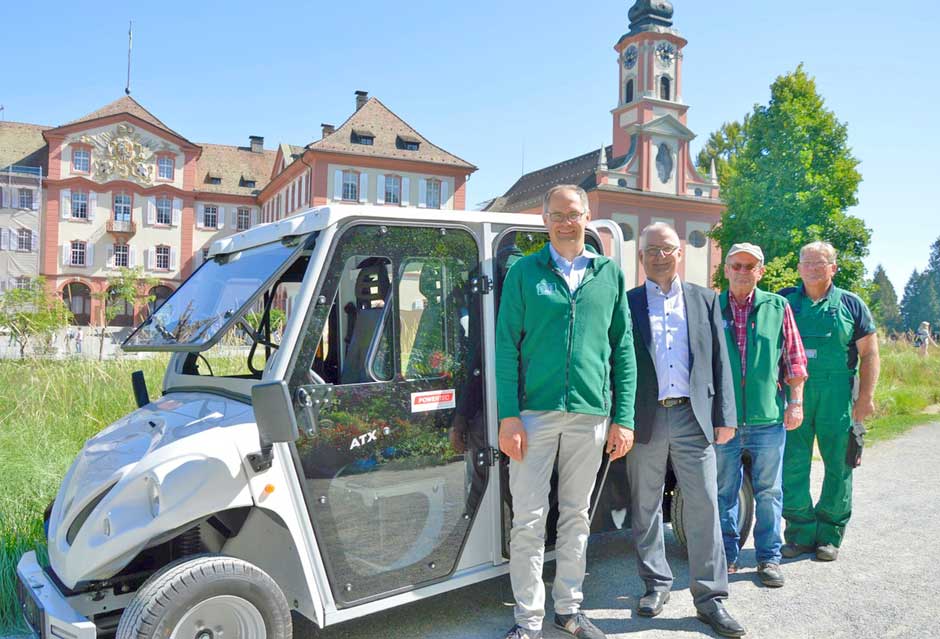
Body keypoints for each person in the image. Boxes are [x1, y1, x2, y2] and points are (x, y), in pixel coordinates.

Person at [495, 184, 637, 639]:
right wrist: (508, 415)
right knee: (530, 521)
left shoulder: (608, 274)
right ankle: (528, 622)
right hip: (533, 416)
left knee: (576, 517)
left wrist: (624, 416)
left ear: (587, 216)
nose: (565, 221)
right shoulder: (524, 272)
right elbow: (505, 348)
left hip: (591, 416)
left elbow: (624, 350)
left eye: (573, 213)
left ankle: (569, 610)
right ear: (544, 219)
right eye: (556, 214)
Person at [625, 222, 745, 638]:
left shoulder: (704, 299)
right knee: (645, 507)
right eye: (652, 249)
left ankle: (710, 598)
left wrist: (725, 415)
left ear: (681, 254)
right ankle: (656, 585)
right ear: (641, 258)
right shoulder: (629, 303)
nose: (660, 255)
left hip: (695, 418)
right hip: (646, 418)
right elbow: (619, 366)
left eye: (668, 248)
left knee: (705, 506)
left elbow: (720, 361)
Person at [779, 241, 880, 562]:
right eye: (806, 262)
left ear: (833, 268)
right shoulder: (783, 302)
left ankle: (829, 535)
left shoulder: (851, 304)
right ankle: (800, 532)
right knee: (792, 463)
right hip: (794, 394)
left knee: (839, 464)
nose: (811, 268)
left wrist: (866, 398)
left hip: (838, 397)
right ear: (798, 268)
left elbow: (870, 354)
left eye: (820, 263)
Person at [716, 243, 807, 588]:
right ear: (726, 269)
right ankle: (726, 555)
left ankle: (769, 557)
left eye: (749, 266)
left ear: (761, 271)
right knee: (724, 490)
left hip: (767, 419)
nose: (742, 271)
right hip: (723, 420)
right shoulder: (712, 306)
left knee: (769, 491)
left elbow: (795, 360)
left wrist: (795, 402)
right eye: (736, 265)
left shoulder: (777, 306)